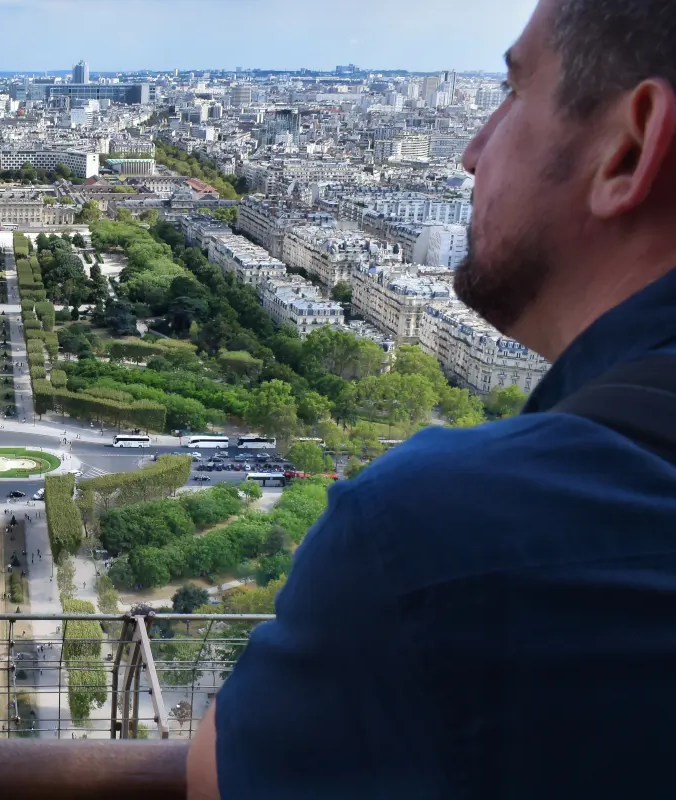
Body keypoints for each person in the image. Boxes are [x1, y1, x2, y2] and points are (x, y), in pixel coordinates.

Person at [186, 2, 676, 797]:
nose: (471, 150)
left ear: (629, 147)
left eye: (515, 93)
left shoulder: (431, 536)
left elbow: (223, 775)